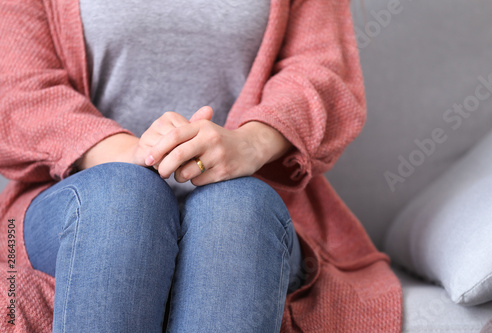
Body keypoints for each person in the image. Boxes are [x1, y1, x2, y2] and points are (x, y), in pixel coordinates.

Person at [0, 0, 402, 332]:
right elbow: (17, 86)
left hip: (247, 206)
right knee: (124, 198)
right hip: (79, 202)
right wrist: (136, 152)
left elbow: (322, 70)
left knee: (235, 210)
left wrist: (250, 142)